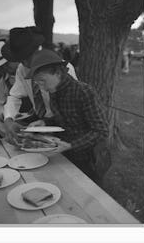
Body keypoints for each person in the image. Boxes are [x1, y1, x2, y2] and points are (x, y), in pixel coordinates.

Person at [25, 49, 111, 184]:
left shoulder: (84, 92)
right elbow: (64, 119)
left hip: (89, 158)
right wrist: (44, 122)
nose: (40, 86)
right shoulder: (54, 90)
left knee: (90, 195)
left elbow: (101, 131)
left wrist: (70, 145)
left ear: (58, 73)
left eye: (42, 80)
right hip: (65, 153)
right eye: (37, 83)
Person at [0, 26, 77, 144]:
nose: (25, 63)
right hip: (42, 124)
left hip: (66, 128)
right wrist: (9, 119)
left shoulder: (62, 70)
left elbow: (74, 108)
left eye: (27, 58)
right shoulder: (22, 68)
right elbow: (15, 95)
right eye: (20, 60)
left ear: (37, 50)